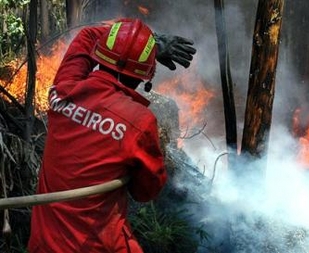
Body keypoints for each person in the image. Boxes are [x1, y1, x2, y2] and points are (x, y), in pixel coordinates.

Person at [27, 18, 196, 253]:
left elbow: (86, 36)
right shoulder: (139, 122)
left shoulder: (64, 90)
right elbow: (146, 191)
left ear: (99, 55)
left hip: (43, 244)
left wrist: (150, 43)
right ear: (144, 75)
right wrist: (148, 46)